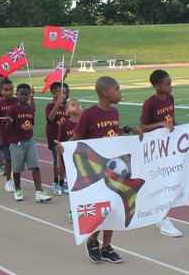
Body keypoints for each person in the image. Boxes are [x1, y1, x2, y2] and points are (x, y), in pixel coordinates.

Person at [55, 76, 143, 264]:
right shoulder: (89, 114)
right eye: (117, 89)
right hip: (97, 171)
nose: (120, 93)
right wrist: (63, 150)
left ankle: (107, 246)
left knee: (114, 206)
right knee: (102, 209)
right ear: (105, 92)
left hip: (115, 168)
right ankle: (93, 241)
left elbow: (112, 132)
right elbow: (77, 136)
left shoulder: (114, 112)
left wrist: (128, 129)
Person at [139, 69, 189, 237]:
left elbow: (172, 122)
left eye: (171, 83)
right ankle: (161, 218)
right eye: (167, 85)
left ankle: (160, 215)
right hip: (156, 148)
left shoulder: (171, 99)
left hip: (169, 146)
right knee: (157, 181)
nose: (170, 87)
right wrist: (160, 125)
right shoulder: (149, 103)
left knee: (167, 179)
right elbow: (142, 127)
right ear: (157, 86)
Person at [4, 83, 51, 203]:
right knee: (17, 168)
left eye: (26, 94)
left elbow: (30, 124)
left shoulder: (30, 109)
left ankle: (39, 191)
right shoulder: (12, 109)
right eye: (21, 94)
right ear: (17, 95)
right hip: (17, 143)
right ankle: (18, 189)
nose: (24, 97)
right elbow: (8, 127)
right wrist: (9, 122)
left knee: (35, 166)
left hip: (30, 141)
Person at [57, 98, 82, 222]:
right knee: (74, 187)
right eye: (73, 105)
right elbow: (59, 143)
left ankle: (84, 209)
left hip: (83, 159)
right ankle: (73, 210)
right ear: (67, 110)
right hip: (70, 160)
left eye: (78, 104)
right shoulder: (65, 124)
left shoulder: (85, 123)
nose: (76, 106)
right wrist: (59, 160)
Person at [0, 79, 18, 193]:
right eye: (6, 90)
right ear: (0, 91)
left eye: (11, 89)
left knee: (17, 159)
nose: (9, 92)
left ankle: (16, 179)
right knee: (7, 158)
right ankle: (8, 181)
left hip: (17, 135)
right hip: (5, 135)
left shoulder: (17, 101)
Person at [45, 82, 69, 196]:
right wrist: (57, 105)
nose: (65, 95)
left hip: (66, 139)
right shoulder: (50, 106)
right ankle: (55, 182)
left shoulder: (67, 106)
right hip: (54, 138)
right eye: (62, 93)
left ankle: (62, 182)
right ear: (54, 94)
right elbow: (50, 118)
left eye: (66, 92)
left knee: (64, 161)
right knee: (57, 160)